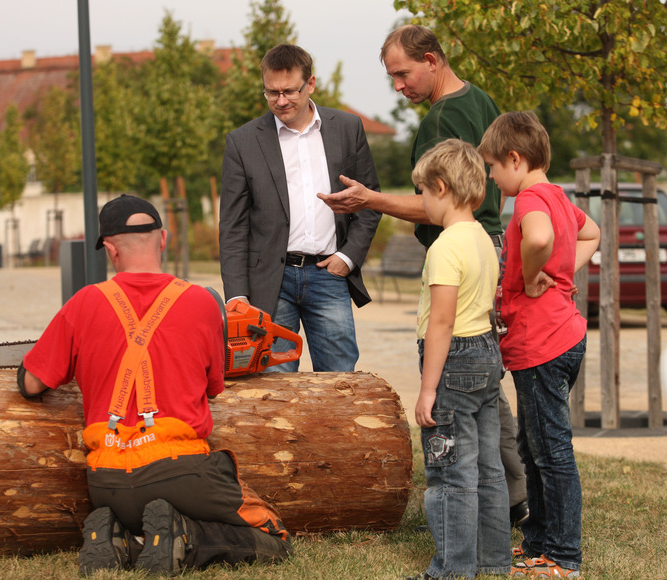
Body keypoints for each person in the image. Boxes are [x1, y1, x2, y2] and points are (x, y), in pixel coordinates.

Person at [318, 24, 528, 526]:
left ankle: (468, 494)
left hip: (456, 253)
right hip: (488, 248)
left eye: (402, 74)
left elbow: (439, 204)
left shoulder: (446, 116)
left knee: (455, 370)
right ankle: (513, 493)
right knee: (484, 373)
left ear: (431, 61)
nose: (398, 86)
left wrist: (370, 199)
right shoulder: (481, 99)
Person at [19, 195, 292, 577]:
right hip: (181, 473)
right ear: (163, 239)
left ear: (110, 250)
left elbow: (31, 384)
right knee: (275, 537)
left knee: (143, 515)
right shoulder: (202, 302)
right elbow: (214, 387)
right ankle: (188, 538)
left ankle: (117, 537)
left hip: (106, 482)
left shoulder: (83, 302)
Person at [477, 111, 600, 578]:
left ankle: (563, 557)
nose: (490, 175)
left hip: (542, 345)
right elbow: (593, 234)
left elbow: (541, 238)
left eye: (493, 165)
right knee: (534, 447)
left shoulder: (530, 198)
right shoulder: (558, 196)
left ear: (515, 157)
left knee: (551, 453)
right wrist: (564, 275)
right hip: (562, 335)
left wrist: (532, 279)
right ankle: (537, 544)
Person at [219, 43, 382, 372]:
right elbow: (233, 225)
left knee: (340, 382)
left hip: (330, 276)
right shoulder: (243, 141)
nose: (280, 101)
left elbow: (369, 199)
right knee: (272, 388)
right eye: (271, 92)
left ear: (311, 84)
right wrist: (237, 295)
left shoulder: (347, 129)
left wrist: (348, 257)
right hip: (270, 282)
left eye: (289, 91)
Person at [409, 139, 509, 580]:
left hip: (455, 363)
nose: (422, 203)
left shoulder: (445, 246)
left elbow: (442, 322)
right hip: (487, 355)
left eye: (423, 193)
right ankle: (492, 559)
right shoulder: (484, 240)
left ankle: (452, 570)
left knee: (450, 472)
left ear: (442, 188)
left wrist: (429, 389)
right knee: (488, 468)